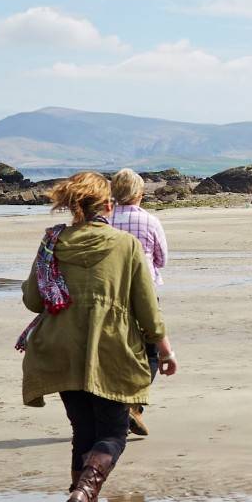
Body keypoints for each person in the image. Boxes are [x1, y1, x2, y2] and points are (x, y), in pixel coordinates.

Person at [21, 171, 179, 502]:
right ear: (107, 205)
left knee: (83, 434)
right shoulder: (125, 245)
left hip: (59, 349)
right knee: (112, 435)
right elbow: (146, 308)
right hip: (111, 351)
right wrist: (165, 350)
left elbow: (32, 299)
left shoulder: (52, 242)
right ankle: (83, 495)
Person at [108, 168, 168, 438]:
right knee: (150, 353)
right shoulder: (150, 221)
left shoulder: (104, 220)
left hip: (110, 293)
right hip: (144, 292)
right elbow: (161, 259)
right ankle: (134, 404)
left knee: (114, 353)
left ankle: (117, 409)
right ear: (140, 194)